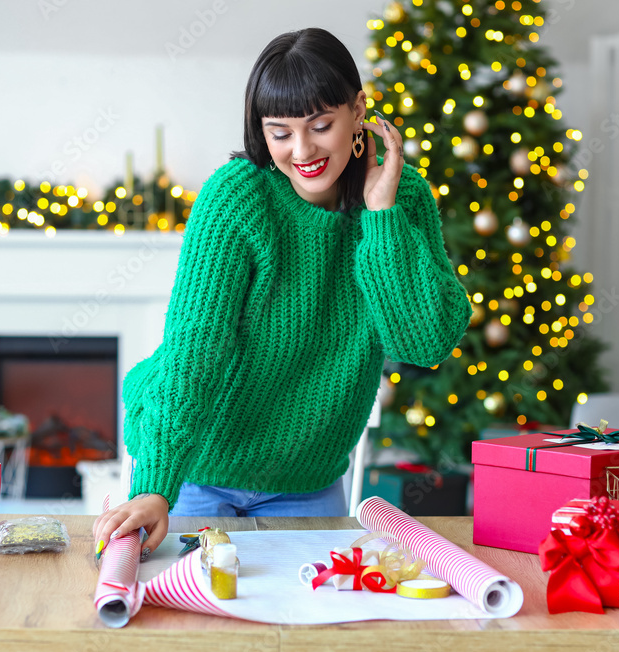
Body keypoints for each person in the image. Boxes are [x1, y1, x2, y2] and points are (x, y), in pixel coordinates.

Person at [93, 27, 471, 561]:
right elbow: (193, 350)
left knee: (307, 632)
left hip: (309, 484)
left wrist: (381, 216)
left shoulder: (400, 196)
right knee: (196, 630)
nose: (303, 151)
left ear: (359, 109)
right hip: (198, 472)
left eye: (321, 126)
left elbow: (424, 342)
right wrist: (156, 482)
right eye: (281, 133)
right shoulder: (237, 198)